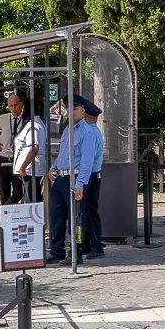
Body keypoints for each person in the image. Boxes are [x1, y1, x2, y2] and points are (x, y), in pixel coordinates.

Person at [47, 95, 102, 262]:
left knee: (76, 219)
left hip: (75, 176)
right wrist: (53, 168)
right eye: (69, 108)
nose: (72, 111)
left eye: (76, 108)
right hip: (60, 177)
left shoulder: (88, 133)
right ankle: (57, 251)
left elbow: (87, 162)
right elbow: (62, 154)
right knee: (56, 216)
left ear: (83, 111)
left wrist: (80, 185)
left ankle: (76, 252)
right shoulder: (67, 130)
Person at [6, 92, 47, 205]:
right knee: (28, 197)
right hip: (30, 168)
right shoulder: (35, 123)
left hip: (30, 169)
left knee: (32, 199)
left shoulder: (33, 125)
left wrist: (23, 166)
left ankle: (33, 222)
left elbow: (34, 147)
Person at [78, 98, 105, 258]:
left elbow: (88, 158)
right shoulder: (93, 132)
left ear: (85, 116)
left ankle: (96, 244)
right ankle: (89, 243)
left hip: (91, 176)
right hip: (92, 175)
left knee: (90, 210)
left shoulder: (91, 134)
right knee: (87, 211)